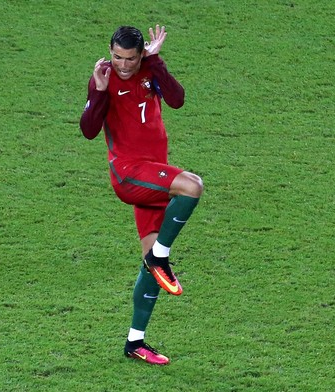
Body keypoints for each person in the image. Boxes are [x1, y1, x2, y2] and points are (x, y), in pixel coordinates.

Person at [79, 25, 203, 365]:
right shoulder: (103, 78)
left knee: (150, 269)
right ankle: (159, 256)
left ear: (140, 55)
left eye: (130, 59)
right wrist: (100, 92)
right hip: (129, 173)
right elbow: (89, 130)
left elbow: (177, 100)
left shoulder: (150, 70)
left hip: (153, 177)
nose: (122, 65)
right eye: (117, 57)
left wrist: (157, 61)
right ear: (110, 51)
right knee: (192, 186)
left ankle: (135, 342)